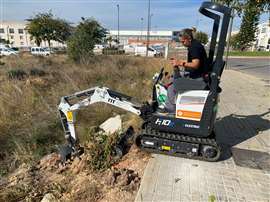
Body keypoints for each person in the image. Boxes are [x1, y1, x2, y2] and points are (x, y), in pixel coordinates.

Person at [164, 28, 208, 113]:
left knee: (171, 87)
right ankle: (175, 104)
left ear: (189, 39)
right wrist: (179, 64)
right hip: (197, 76)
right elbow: (193, 64)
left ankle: (170, 111)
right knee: (173, 78)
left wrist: (180, 63)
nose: (182, 44)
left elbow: (195, 64)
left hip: (199, 80)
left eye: (183, 42)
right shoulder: (194, 45)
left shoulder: (194, 47)